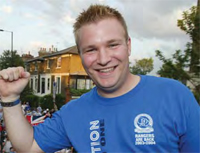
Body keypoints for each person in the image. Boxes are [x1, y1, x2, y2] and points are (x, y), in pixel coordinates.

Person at [0, 4, 199, 153]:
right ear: (81, 54)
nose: (103, 59)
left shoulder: (174, 95)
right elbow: (28, 145)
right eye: (91, 49)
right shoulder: (73, 112)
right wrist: (9, 98)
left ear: (128, 46)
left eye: (113, 45)